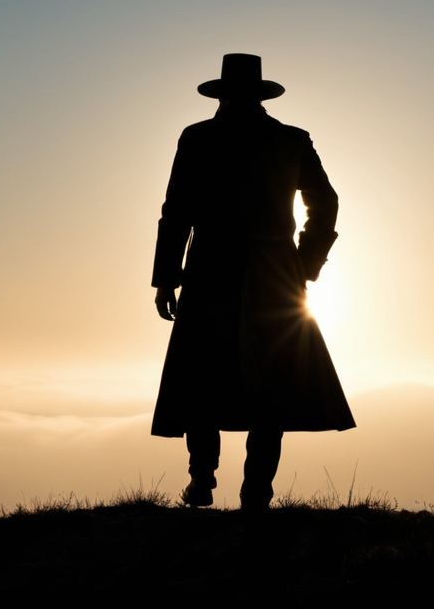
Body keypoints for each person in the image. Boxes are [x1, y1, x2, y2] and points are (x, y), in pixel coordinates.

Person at [151, 53, 356, 511]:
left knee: (202, 373)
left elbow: (176, 211)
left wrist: (167, 279)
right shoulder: (290, 140)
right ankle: (257, 491)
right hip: (275, 274)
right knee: (274, 379)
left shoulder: (198, 138)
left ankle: (202, 479)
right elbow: (326, 203)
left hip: (208, 271)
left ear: (222, 94)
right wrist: (305, 263)